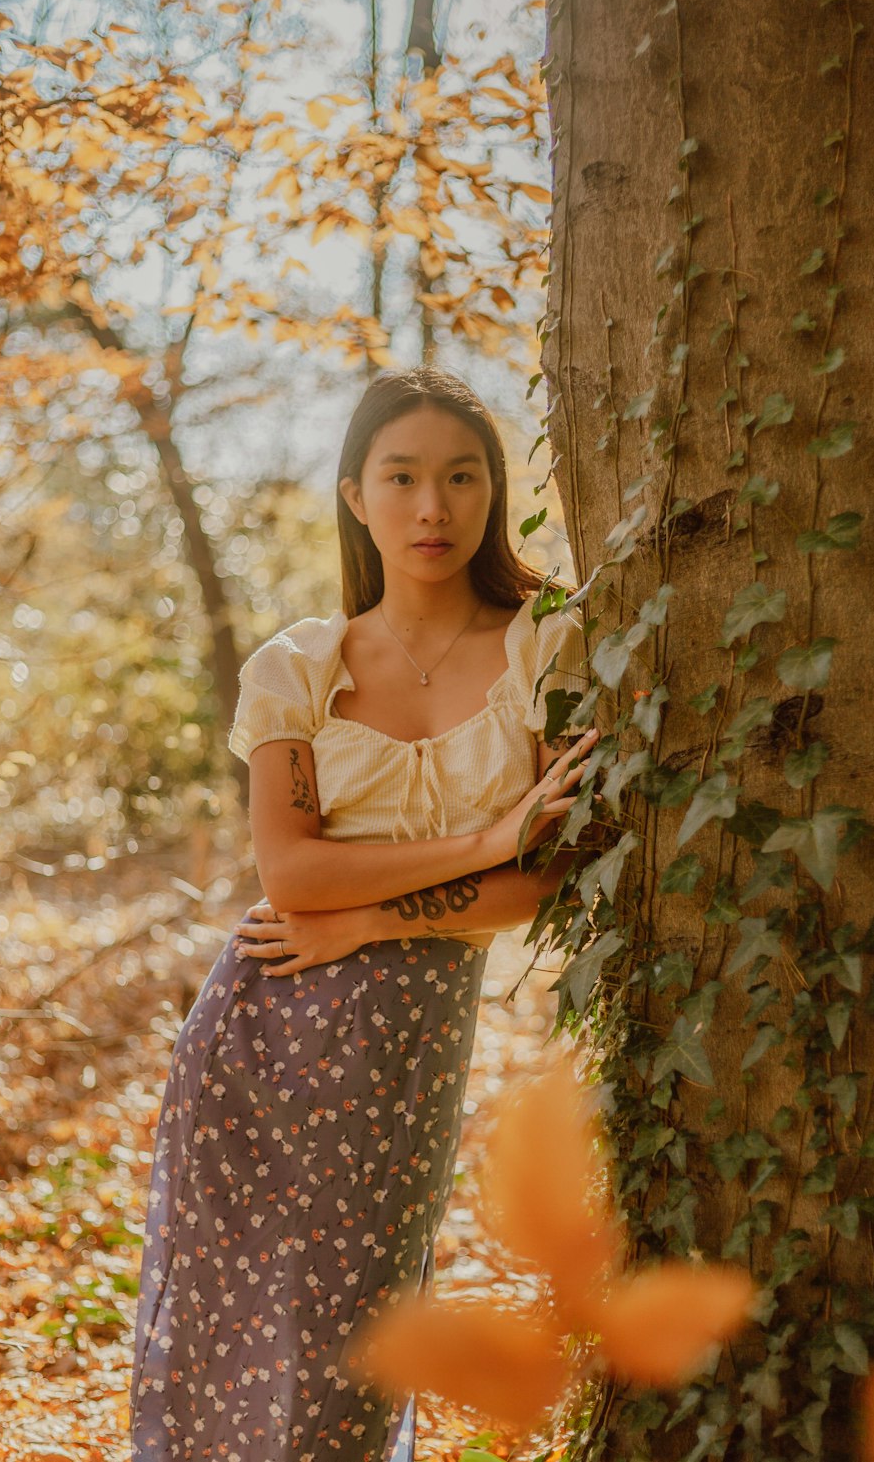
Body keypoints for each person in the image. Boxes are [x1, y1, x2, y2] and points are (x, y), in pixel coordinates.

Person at [128, 366, 594, 1462]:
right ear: (356, 496)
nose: (432, 507)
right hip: (260, 1025)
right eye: (402, 477)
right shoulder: (297, 665)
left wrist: (376, 919)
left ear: (489, 493)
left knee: (352, 1348)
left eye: (461, 477)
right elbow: (292, 875)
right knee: (218, 1342)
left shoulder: (545, 645)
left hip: (405, 1045)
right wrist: (486, 838)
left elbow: (555, 875)